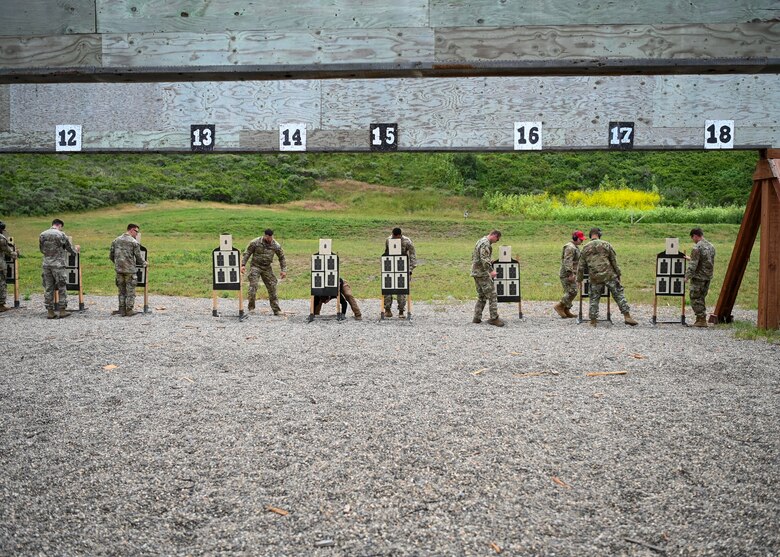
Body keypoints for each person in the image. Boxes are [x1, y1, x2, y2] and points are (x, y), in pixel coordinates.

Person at [576, 227, 638, 327]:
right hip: (609, 275)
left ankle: (593, 321)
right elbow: (614, 261)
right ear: (599, 234)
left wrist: (579, 280)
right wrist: (618, 273)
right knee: (618, 294)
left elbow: (581, 266)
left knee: (594, 298)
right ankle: (627, 316)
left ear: (590, 235)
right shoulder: (606, 245)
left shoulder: (585, 247)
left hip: (595, 276)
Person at [39, 218, 79, 319]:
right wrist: (76, 251)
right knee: (62, 287)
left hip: (46, 264)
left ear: (52, 224)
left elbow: (41, 249)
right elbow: (69, 248)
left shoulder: (42, 234)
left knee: (48, 288)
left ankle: (50, 312)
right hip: (58, 265)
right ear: (60, 225)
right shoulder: (61, 235)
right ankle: (62, 310)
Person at [241, 229, 287, 315]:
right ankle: (251, 308)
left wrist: (283, 270)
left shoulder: (276, 245)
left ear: (272, 236)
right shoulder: (255, 242)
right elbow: (247, 253)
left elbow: (282, 257)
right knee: (253, 287)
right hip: (255, 266)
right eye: (267, 237)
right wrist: (243, 265)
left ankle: (276, 310)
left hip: (267, 268)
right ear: (264, 236)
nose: (269, 239)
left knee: (272, 286)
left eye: (270, 238)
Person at [109, 223, 147, 317]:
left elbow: (111, 256)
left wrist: (118, 264)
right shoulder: (134, 242)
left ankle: (121, 309)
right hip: (130, 271)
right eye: (136, 232)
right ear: (131, 230)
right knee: (130, 291)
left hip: (119, 270)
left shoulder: (116, 240)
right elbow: (138, 257)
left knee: (121, 291)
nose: (137, 234)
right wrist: (145, 263)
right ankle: (129, 310)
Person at [471, 230, 504, 327]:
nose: (496, 241)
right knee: (492, 295)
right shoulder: (485, 243)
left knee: (481, 296)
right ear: (494, 235)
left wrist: (489, 260)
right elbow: (484, 258)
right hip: (482, 273)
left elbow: (476, 256)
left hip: (476, 272)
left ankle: (477, 318)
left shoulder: (480, 241)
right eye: (497, 239)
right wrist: (491, 271)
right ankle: (494, 318)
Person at [684, 227, 716, 328]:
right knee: (701, 297)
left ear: (695, 236)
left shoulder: (697, 247)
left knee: (695, 297)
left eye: (692, 238)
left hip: (698, 278)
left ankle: (701, 319)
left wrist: (687, 277)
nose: (693, 240)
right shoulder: (711, 246)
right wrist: (691, 258)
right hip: (707, 277)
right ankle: (701, 319)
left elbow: (693, 264)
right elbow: (706, 261)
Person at [384, 227, 417, 319]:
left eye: (396, 237)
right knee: (387, 289)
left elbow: (412, 256)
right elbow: (386, 253)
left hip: (402, 268)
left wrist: (410, 270)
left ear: (400, 235)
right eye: (393, 237)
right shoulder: (388, 240)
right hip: (390, 268)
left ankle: (401, 311)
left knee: (401, 291)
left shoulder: (407, 241)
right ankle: (387, 310)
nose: (395, 239)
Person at [554, 230, 585, 318]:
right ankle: (559, 306)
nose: (582, 241)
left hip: (571, 273)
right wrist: (570, 274)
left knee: (572, 291)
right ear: (575, 238)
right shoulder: (570, 247)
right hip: (567, 274)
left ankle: (566, 309)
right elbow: (567, 261)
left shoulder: (574, 247)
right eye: (581, 239)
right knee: (572, 291)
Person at [0, 221, 19, 312]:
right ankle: (1, 304)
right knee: (1, 283)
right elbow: (9, 252)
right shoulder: (1, 238)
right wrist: (16, 253)